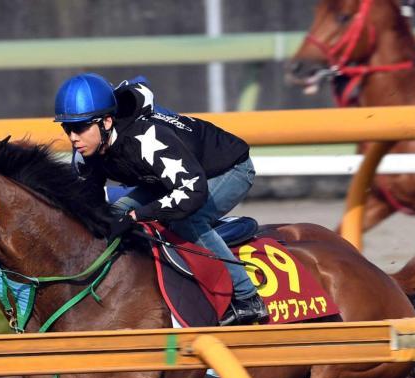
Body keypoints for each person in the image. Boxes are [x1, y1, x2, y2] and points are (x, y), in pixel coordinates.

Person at [53, 72, 268, 326]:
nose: (73, 138)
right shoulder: (88, 148)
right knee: (116, 212)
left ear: (107, 122)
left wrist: (139, 215)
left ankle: (247, 297)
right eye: (68, 128)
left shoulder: (146, 139)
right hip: (163, 179)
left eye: (80, 127)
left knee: (188, 220)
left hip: (228, 170)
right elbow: (91, 202)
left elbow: (191, 191)